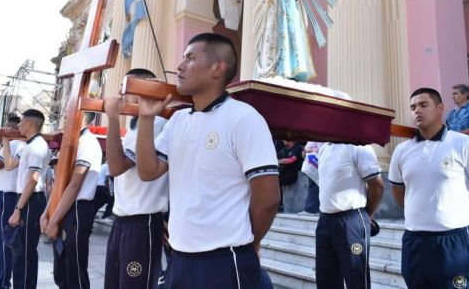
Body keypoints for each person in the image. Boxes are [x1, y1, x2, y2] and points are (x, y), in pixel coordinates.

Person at [136, 33, 281, 288]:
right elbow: (148, 172)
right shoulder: (178, 121)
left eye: (190, 58)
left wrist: (250, 241)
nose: (179, 66)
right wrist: (146, 120)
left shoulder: (243, 118)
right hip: (179, 259)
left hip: (224, 261)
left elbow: (268, 197)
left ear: (218, 68)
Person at [389, 88, 469, 288]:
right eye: (413, 107)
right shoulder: (402, 150)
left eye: (423, 105)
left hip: (455, 243)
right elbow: (398, 191)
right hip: (415, 241)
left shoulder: (464, 144)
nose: (417, 111)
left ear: (440, 108)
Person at [103, 68, 168, 289]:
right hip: (122, 218)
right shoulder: (135, 125)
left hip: (143, 220)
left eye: (127, 89)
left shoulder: (156, 124)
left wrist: (112, 118)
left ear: (144, 90)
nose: (121, 95)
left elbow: (116, 166)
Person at [40, 112, 102, 289]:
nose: (64, 118)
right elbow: (61, 183)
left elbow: (74, 185)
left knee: (74, 268)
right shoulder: (71, 143)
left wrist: (54, 219)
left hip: (77, 209)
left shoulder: (87, 143)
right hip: (63, 206)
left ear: (81, 116)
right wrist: (47, 213)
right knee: (61, 268)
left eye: (68, 114)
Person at [315, 142, 384, 288]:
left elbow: (377, 186)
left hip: (351, 221)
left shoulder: (359, 147)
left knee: (356, 278)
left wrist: (366, 216)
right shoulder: (324, 149)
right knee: (325, 278)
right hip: (325, 221)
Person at [3, 109, 51, 289]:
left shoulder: (38, 146)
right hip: (24, 198)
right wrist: (5, 140)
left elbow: (33, 180)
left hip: (31, 200)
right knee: (19, 251)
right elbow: (8, 165)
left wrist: (18, 210)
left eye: (21, 122)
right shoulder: (27, 146)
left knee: (25, 252)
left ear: (30, 123)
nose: (19, 125)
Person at [254, 0, 316, 82]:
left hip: (281, 23)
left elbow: (287, 7)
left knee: (283, 44)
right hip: (272, 24)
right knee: (269, 45)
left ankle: (283, 69)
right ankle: (271, 70)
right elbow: (270, 7)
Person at [0, 114, 26, 289]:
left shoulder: (16, 144)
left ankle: (2, 281)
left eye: (7, 127)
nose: (3, 129)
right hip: (0, 194)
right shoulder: (8, 144)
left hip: (6, 195)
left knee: (2, 240)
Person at [298, 141, 323, 216]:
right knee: (315, 185)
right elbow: (306, 148)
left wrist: (309, 150)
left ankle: (311, 209)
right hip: (314, 162)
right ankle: (314, 209)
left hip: (319, 161)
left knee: (314, 185)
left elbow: (308, 148)